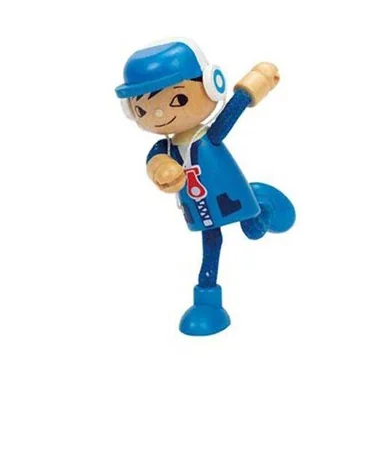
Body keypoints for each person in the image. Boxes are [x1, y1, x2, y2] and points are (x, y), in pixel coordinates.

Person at [116, 39, 295, 335]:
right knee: (212, 241)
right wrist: (162, 170)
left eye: (177, 99)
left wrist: (258, 81)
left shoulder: (208, 137)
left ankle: (262, 206)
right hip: (201, 209)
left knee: (252, 228)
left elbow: (235, 108)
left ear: (213, 85)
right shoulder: (166, 149)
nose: (159, 114)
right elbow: (155, 163)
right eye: (143, 110)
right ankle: (207, 300)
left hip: (230, 196)